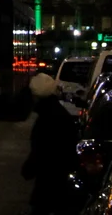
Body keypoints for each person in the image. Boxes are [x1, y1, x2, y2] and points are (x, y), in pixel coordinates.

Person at [22, 72, 77, 215]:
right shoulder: (60, 114)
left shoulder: (47, 119)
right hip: (60, 179)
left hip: (50, 181)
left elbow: (42, 149)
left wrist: (29, 168)